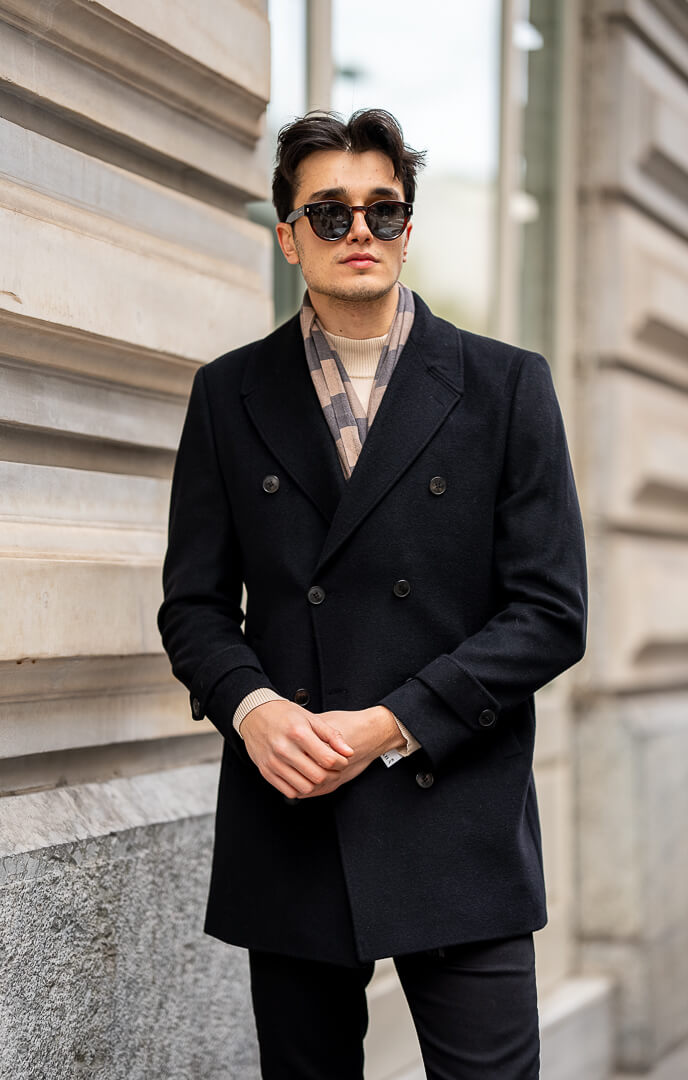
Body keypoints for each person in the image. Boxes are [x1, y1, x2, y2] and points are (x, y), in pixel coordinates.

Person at [157, 107, 587, 1080]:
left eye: (382, 210)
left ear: (406, 227)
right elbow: (193, 605)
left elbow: (550, 614)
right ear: (287, 236)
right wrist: (253, 709)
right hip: (293, 804)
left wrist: (392, 724)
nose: (359, 230)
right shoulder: (229, 394)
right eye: (329, 211)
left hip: (456, 808)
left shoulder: (505, 386)